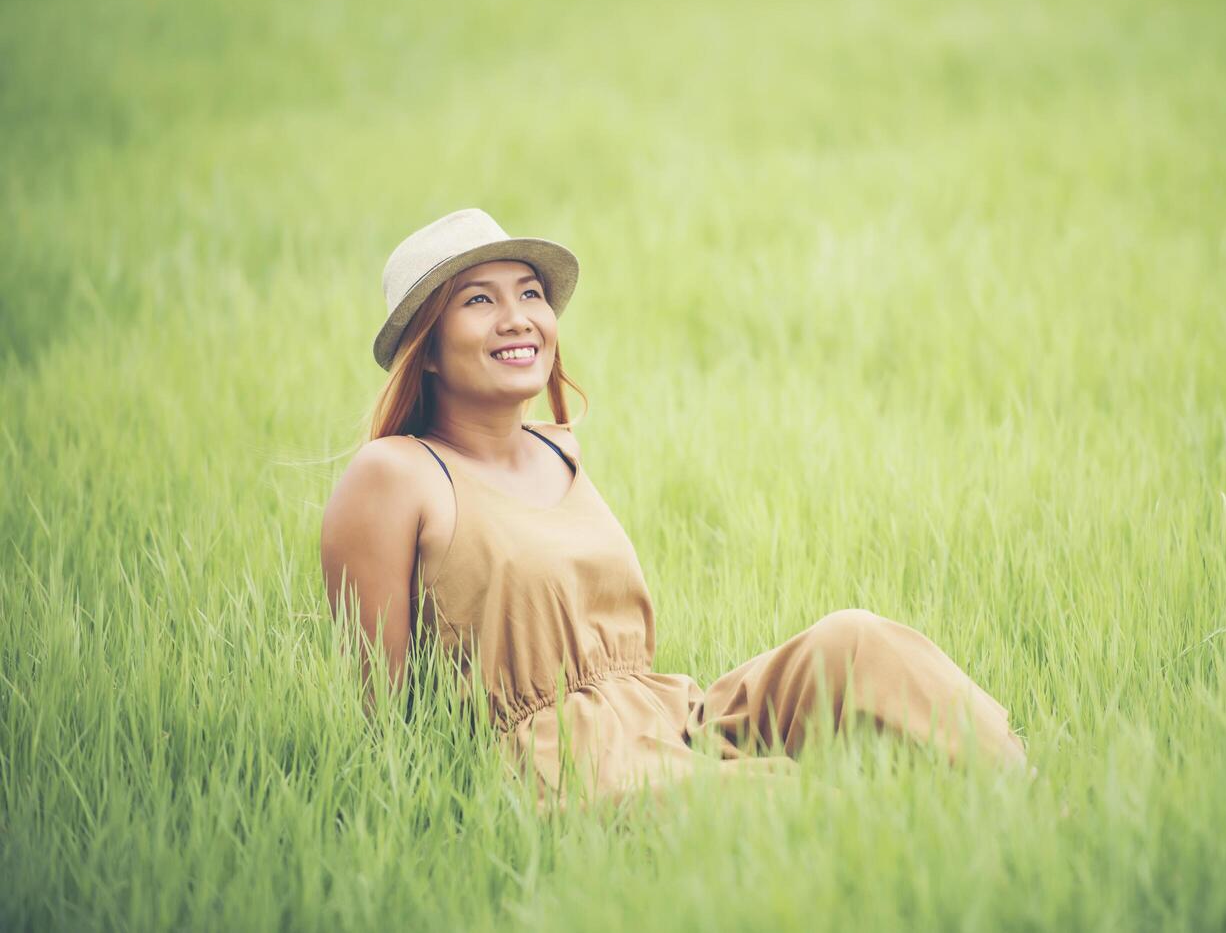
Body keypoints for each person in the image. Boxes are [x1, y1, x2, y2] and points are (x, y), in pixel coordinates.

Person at [320, 208, 1027, 808]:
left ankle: (1032, 801)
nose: (519, 320)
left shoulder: (557, 450)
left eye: (530, 294)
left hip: (669, 714)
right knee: (801, 806)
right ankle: (909, 836)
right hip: (565, 767)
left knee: (858, 638)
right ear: (429, 350)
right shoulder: (396, 473)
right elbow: (386, 719)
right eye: (478, 301)